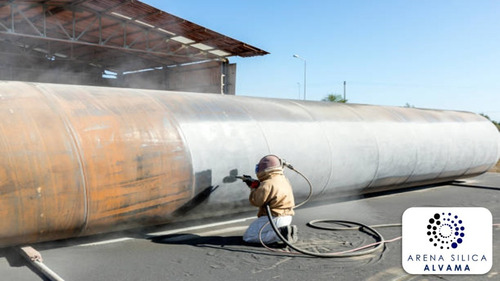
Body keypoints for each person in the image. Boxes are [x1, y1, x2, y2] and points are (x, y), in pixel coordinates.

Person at [242, 155, 298, 244]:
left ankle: (281, 234)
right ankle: (284, 231)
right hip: (287, 217)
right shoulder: (283, 179)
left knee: (249, 237)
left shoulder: (266, 184)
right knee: (258, 232)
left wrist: (253, 189)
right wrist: (257, 185)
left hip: (275, 218)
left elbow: (256, 201)